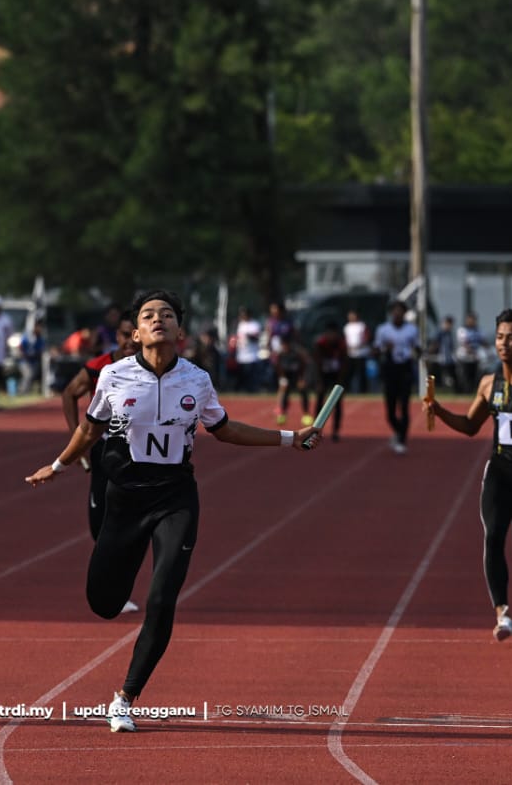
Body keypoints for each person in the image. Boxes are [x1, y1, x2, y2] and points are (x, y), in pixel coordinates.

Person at [25, 289, 322, 733]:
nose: (158, 320)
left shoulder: (197, 380)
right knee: (103, 602)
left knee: (163, 597)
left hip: (174, 497)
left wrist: (289, 438)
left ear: (180, 330)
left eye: (167, 315)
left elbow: (224, 429)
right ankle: (115, 606)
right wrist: (58, 465)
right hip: (125, 497)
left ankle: (125, 697)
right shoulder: (113, 376)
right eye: (148, 315)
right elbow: (90, 429)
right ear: (136, 331)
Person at [422, 308, 512, 642]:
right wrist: (440, 411)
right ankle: (503, 613)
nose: (504, 343)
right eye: (500, 336)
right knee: (492, 535)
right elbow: (470, 427)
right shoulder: (489, 384)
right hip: (500, 472)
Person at [59, 314, 140, 614]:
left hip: (141, 451)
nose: (128, 341)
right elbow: (69, 393)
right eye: (122, 335)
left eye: (133, 335)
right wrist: (76, 440)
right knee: (101, 524)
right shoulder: (99, 367)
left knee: (133, 523)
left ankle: (122, 588)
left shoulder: (154, 366)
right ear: (115, 336)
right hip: (105, 449)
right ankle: (113, 585)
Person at [373, 301, 419, 454]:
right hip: (390, 368)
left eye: (400, 311)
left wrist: (419, 351)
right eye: (395, 311)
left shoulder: (411, 329)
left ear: (405, 313)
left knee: (404, 406)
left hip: (405, 368)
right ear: (391, 313)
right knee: (390, 411)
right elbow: (376, 351)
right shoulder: (383, 330)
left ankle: (401, 439)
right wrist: (385, 348)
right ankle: (399, 431)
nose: (397, 314)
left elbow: (417, 348)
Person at [312, 319, 348, 441]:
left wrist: (340, 383)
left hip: (336, 375)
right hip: (323, 374)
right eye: (329, 334)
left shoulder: (341, 344)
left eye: (334, 334)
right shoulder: (320, 343)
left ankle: (336, 431)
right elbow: (316, 363)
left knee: (337, 402)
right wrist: (319, 382)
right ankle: (315, 429)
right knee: (320, 400)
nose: (331, 337)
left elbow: (344, 363)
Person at [273, 333, 313, 426]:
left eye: (286, 345)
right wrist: (282, 378)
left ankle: (306, 414)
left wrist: (302, 378)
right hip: (286, 377)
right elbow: (278, 367)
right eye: (283, 345)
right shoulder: (280, 354)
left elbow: (304, 365)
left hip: (297, 376)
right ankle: (282, 413)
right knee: (284, 394)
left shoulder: (297, 354)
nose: (284, 347)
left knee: (303, 391)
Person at [233, 307, 262, 392]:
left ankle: (252, 390)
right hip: (241, 354)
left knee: (251, 375)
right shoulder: (241, 324)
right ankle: (242, 389)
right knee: (242, 375)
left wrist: (249, 336)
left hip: (252, 355)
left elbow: (256, 337)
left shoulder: (254, 324)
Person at [455, 313, 485, 394]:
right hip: (464, 356)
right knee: (464, 375)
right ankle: (464, 391)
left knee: (473, 375)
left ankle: (471, 391)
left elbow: (482, 340)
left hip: (474, 357)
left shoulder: (478, 330)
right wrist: (471, 350)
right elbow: (464, 342)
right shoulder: (462, 330)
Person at [343, 309, 370, 394]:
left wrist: (359, 346)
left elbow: (366, 338)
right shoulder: (347, 327)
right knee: (349, 372)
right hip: (350, 353)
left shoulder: (362, 326)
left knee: (361, 373)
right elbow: (346, 339)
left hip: (361, 353)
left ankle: (363, 391)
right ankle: (348, 390)